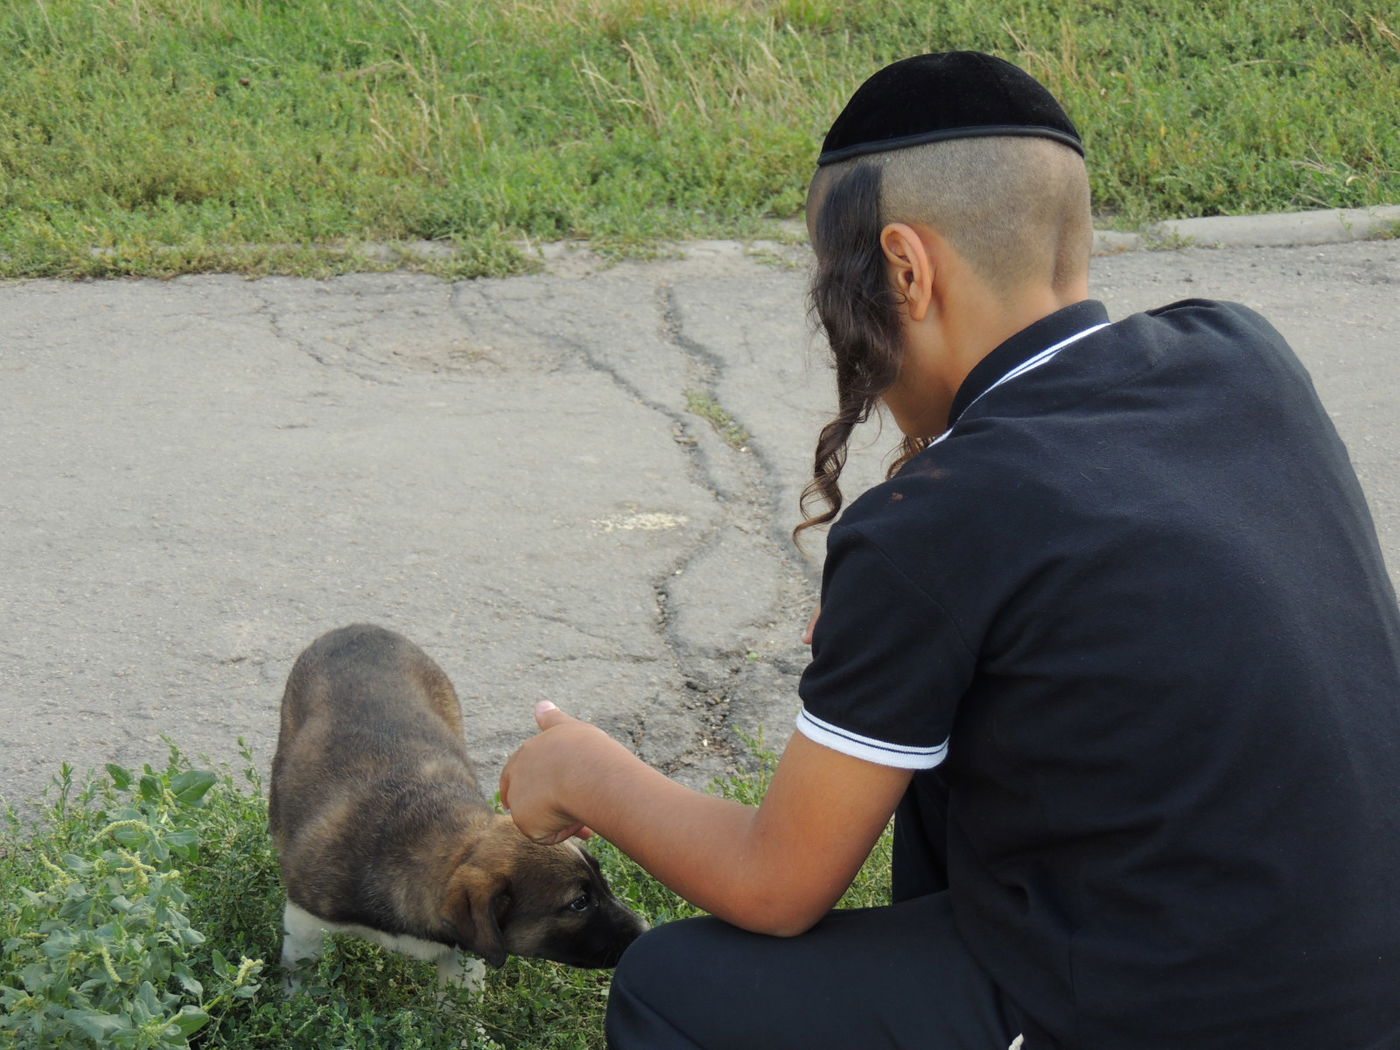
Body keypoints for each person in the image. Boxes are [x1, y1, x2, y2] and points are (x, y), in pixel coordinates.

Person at [500, 52, 1400, 1050]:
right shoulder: (1238, 354)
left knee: (674, 985)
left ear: (903, 269)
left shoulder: (938, 521)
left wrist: (585, 775)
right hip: (1356, 974)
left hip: (1185, 1015)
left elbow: (774, 884)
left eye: (837, 295)